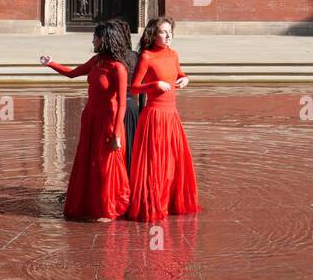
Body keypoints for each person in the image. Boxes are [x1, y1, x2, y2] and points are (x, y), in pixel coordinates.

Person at [39, 20, 132, 222]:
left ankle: (108, 208)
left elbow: (123, 104)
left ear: (104, 40)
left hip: (108, 121)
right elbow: (73, 73)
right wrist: (51, 63)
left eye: (95, 37)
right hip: (90, 118)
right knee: (89, 163)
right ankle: (90, 204)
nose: (92, 40)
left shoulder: (118, 68)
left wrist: (116, 134)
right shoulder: (96, 61)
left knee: (106, 165)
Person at [126, 17, 200, 222]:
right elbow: (134, 88)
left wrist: (185, 78)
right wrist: (154, 85)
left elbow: (179, 73)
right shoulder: (147, 57)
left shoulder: (173, 54)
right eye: (163, 32)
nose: (168, 36)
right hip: (155, 116)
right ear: (153, 34)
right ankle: (153, 203)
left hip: (172, 115)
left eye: (170, 32)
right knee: (156, 163)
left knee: (172, 162)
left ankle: (169, 202)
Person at [107, 17, 143, 169]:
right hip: (133, 106)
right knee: (131, 145)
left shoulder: (112, 58)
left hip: (117, 107)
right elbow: (141, 88)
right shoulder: (136, 56)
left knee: (116, 147)